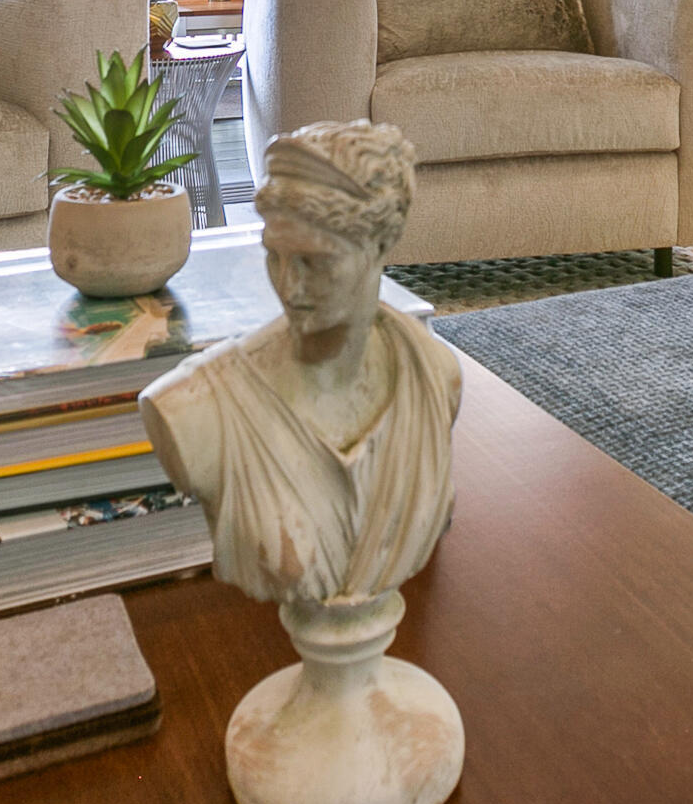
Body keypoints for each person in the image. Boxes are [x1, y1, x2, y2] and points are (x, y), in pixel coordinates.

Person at [141, 120, 460, 608]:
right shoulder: (195, 408)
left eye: (316, 262)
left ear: (379, 247)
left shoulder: (435, 374)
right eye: (275, 257)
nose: (288, 287)